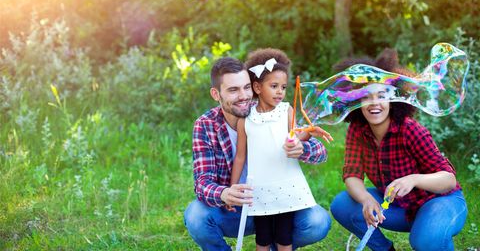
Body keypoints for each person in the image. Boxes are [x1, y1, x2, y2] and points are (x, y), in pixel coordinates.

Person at [184, 56, 332, 251]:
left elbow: (320, 152)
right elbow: (202, 183)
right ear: (216, 94)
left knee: (317, 221)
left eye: (246, 87)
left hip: (277, 199)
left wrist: (301, 148)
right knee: (196, 216)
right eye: (233, 90)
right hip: (235, 209)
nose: (244, 96)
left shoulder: (272, 112)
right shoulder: (206, 125)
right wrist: (225, 193)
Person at [330, 49, 468, 251]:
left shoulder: (410, 130)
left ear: (393, 99)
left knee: (425, 240)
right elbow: (352, 174)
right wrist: (367, 199)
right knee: (342, 204)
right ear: (357, 101)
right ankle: (385, 249)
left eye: (381, 96)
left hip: (439, 203)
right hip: (398, 208)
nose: (375, 103)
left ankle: (434, 235)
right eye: (366, 97)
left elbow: (449, 180)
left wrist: (413, 179)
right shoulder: (357, 130)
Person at [229, 48, 333, 251]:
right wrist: (233, 188)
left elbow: (295, 136)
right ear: (257, 87)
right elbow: (240, 157)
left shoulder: (287, 110)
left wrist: (310, 132)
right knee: (263, 239)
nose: (280, 92)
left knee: (284, 237)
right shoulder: (246, 120)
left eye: (284, 87)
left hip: (286, 187)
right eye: (274, 86)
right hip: (259, 189)